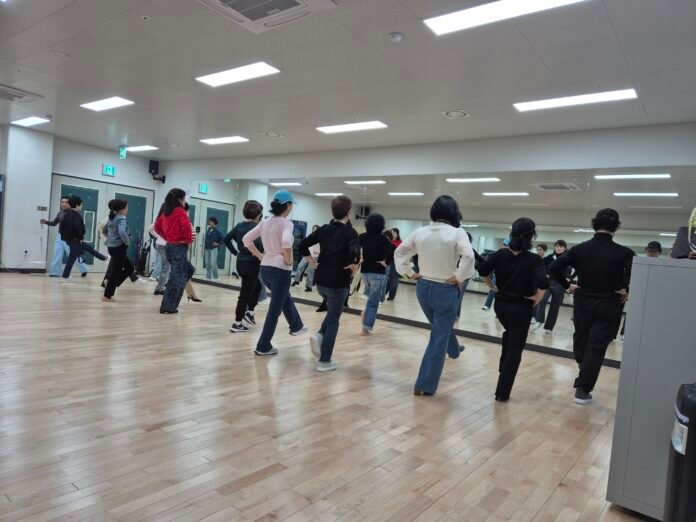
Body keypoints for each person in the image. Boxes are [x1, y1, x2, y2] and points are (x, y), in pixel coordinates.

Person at [549, 208, 635, 405]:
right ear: (616, 227)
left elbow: (554, 268)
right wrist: (627, 289)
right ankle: (583, 389)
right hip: (610, 302)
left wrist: (567, 286)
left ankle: (584, 368)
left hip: (583, 300)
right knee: (596, 346)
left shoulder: (579, 249)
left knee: (581, 338)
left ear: (595, 224)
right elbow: (637, 274)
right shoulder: (624, 252)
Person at [394, 195, 475, 396]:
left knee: (440, 328)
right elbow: (469, 256)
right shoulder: (457, 233)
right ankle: (424, 384)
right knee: (439, 335)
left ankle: (454, 350)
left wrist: (408, 272)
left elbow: (400, 252)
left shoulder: (420, 232)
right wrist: (460, 276)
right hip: (445, 289)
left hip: (422, 288)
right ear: (454, 213)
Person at [478, 218, 548, 402]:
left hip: (500, 306)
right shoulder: (535, 259)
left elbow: (482, 270)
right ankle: (502, 392)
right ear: (532, 236)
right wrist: (537, 298)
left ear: (512, 232)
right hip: (521, 308)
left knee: (510, 334)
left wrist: (492, 287)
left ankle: (503, 368)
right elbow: (543, 283)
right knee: (515, 349)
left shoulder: (500, 254)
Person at [300, 196, 360, 372]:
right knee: (334, 319)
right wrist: (354, 265)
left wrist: (312, 263)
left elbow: (302, 245)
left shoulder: (324, 229)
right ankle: (325, 361)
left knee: (333, 312)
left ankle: (320, 335)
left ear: (332, 211)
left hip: (321, 281)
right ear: (349, 212)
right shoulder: (351, 233)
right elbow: (355, 254)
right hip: (338, 282)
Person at [243, 190, 306, 355]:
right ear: (288, 205)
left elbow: (246, 240)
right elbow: (286, 241)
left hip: (265, 269)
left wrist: (260, 255)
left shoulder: (265, 222)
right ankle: (263, 346)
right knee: (275, 309)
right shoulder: (287, 223)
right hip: (280, 270)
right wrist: (289, 259)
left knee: (284, 297)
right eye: (291, 205)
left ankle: (297, 326)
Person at [225, 200, 264, 333]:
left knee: (257, 286)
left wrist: (237, 252)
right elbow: (257, 244)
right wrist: (259, 253)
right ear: (258, 214)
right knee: (245, 295)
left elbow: (226, 239)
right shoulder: (257, 227)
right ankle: (237, 323)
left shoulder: (239, 226)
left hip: (240, 263)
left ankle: (250, 312)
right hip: (251, 264)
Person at [154, 189, 195, 314]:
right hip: (178, 247)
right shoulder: (180, 211)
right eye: (184, 198)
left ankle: (167, 303)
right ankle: (169, 307)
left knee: (188, 270)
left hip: (170, 246)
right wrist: (188, 241)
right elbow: (186, 227)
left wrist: (167, 238)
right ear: (179, 199)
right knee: (178, 278)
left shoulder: (167, 211)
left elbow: (157, 226)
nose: (184, 201)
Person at [102, 199, 146, 301]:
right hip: (119, 248)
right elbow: (122, 232)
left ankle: (110, 284)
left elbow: (104, 230)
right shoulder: (121, 219)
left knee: (129, 268)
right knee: (116, 272)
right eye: (126, 207)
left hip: (111, 247)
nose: (127, 209)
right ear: (121, 209)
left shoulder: (112, 218)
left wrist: (111, 238)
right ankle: (108, 294)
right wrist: (127, 242)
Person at [359, 213, 393, 336]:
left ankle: (365, 312)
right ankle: (365, 329)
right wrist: (386, 263)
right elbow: (391, 252)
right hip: (377, 272)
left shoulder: (362, 237)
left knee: (370, 297)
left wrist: (359, 259)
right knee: (373, 302)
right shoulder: (383, 239)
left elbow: (354, 250)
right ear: (381, 225)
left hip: (364, 272)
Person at [59, 196, 108, 279]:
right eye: (81, 205)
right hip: (75, 240)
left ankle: (104, 258)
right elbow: (79, 228)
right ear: (77, 205)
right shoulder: (77, 216)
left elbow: (61, 229)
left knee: (88, 249)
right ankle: (105, 258)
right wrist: (81, 237)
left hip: (70, 240)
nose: (81, 206)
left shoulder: (66, 215)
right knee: (73, 257)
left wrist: (67, 239)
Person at [41, 196, 89, 277]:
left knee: (73, 254)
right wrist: (46, 222)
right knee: (57, 254)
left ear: (70, 204)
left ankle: (84, 269)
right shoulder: (60, 213)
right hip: (60, 237)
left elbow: (79, 227)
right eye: (62, 202)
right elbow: (54, 223)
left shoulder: (74, 214)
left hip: (70, 238)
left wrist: (80, 237)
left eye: (66, 202)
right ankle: (55, 272)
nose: (63, 204)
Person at [533, 240, 569, 334]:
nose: (558, 248)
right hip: (548, 283)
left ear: (564, 248)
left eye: (561, 247)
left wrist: (568, 279)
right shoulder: (549, 257)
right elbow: (543, 268)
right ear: (554, 247)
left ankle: (549, 327)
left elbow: (569, 271)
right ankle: (539, 320)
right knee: (542, 300)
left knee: (555, 306)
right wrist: (545, 274)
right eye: (557, 246)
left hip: (560, 284)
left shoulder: (567, 258)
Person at [482, 238, 510, 311]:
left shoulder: (512, 256)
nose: (505, 246)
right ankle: (487, 305)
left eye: (507, 245)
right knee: (492, 289)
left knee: (505, 293)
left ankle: (502, 310)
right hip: (497, 275)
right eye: (504, 244)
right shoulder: (498, 254)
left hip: (508, 277)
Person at [148, 205, 170, 296]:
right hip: (165, 245)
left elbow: (150, 229)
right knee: (165, 268)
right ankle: (159, 288)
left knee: (162, 265)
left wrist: (159, 236)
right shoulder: (167, 218)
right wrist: (163, 237)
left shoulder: (160, 218)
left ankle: (160, 287)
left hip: (159, 244)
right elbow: (150, 229)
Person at [292, 225, 320, 291]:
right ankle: (296, 280)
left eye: (315, 229)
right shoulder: (310, 236)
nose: (314, 230)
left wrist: (318, 252)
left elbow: (322, 249)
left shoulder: (320, 238)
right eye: (313, 229)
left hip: (315, 256)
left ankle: (309, 286)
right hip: (307, 255)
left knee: (310, 271)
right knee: (300, 266)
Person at [204, 217, 224, 281]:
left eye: (210, 222)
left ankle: (216, 277)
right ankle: (208, 277)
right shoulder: (209, 229)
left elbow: (223, 239)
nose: (209, 223)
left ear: (213, 222)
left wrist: (218, 244)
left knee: (213, 263)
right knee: (207, 263)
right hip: (207, 248)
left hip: (214, 249)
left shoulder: (218, 231)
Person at [386, 228, 403, 301]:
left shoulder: (400, 242)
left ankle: (391, 296)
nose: (392, 234)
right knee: (387, 279)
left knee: (394, 280)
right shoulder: (388, 241)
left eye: (393, 232)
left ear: (397, 234)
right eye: (391, 232)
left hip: (396, 262)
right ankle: (383, 293)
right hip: (387, 261)